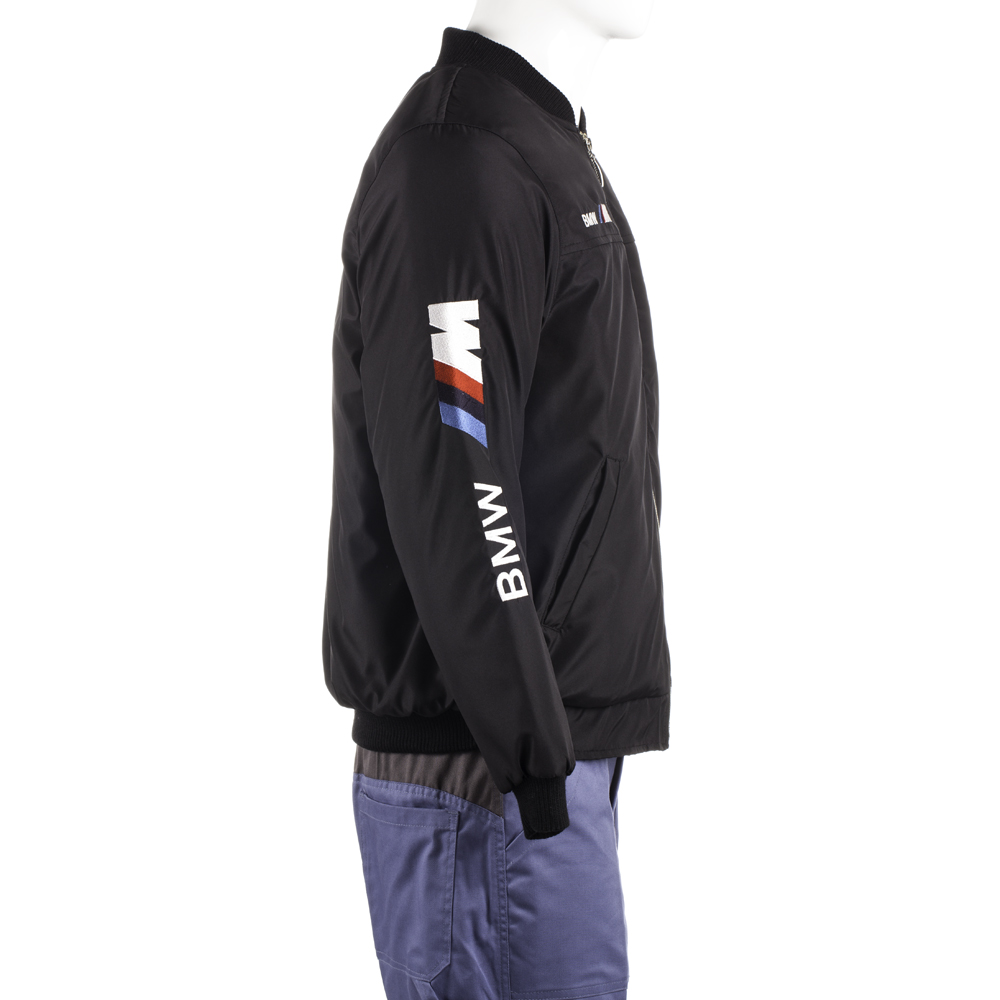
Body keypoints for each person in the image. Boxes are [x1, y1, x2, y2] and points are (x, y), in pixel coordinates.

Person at [322, 3, 671, 997]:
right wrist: (531, 757)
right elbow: (457, 480)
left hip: (535, 758)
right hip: (490, 772)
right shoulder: (460, 166)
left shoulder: (533, 142)